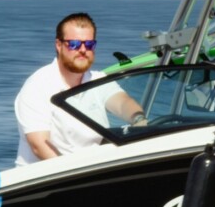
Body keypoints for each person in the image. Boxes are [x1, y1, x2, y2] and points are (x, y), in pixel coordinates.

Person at [15, 12, 147, 166]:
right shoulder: (37, 86)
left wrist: (138, 119)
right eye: (75, 44)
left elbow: (123, 103)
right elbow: (39, 145)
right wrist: (67, 171)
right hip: (44, 179)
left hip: (90, 169)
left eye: (89, 44)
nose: (83, 50)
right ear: (59, 45)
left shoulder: (98, 80)